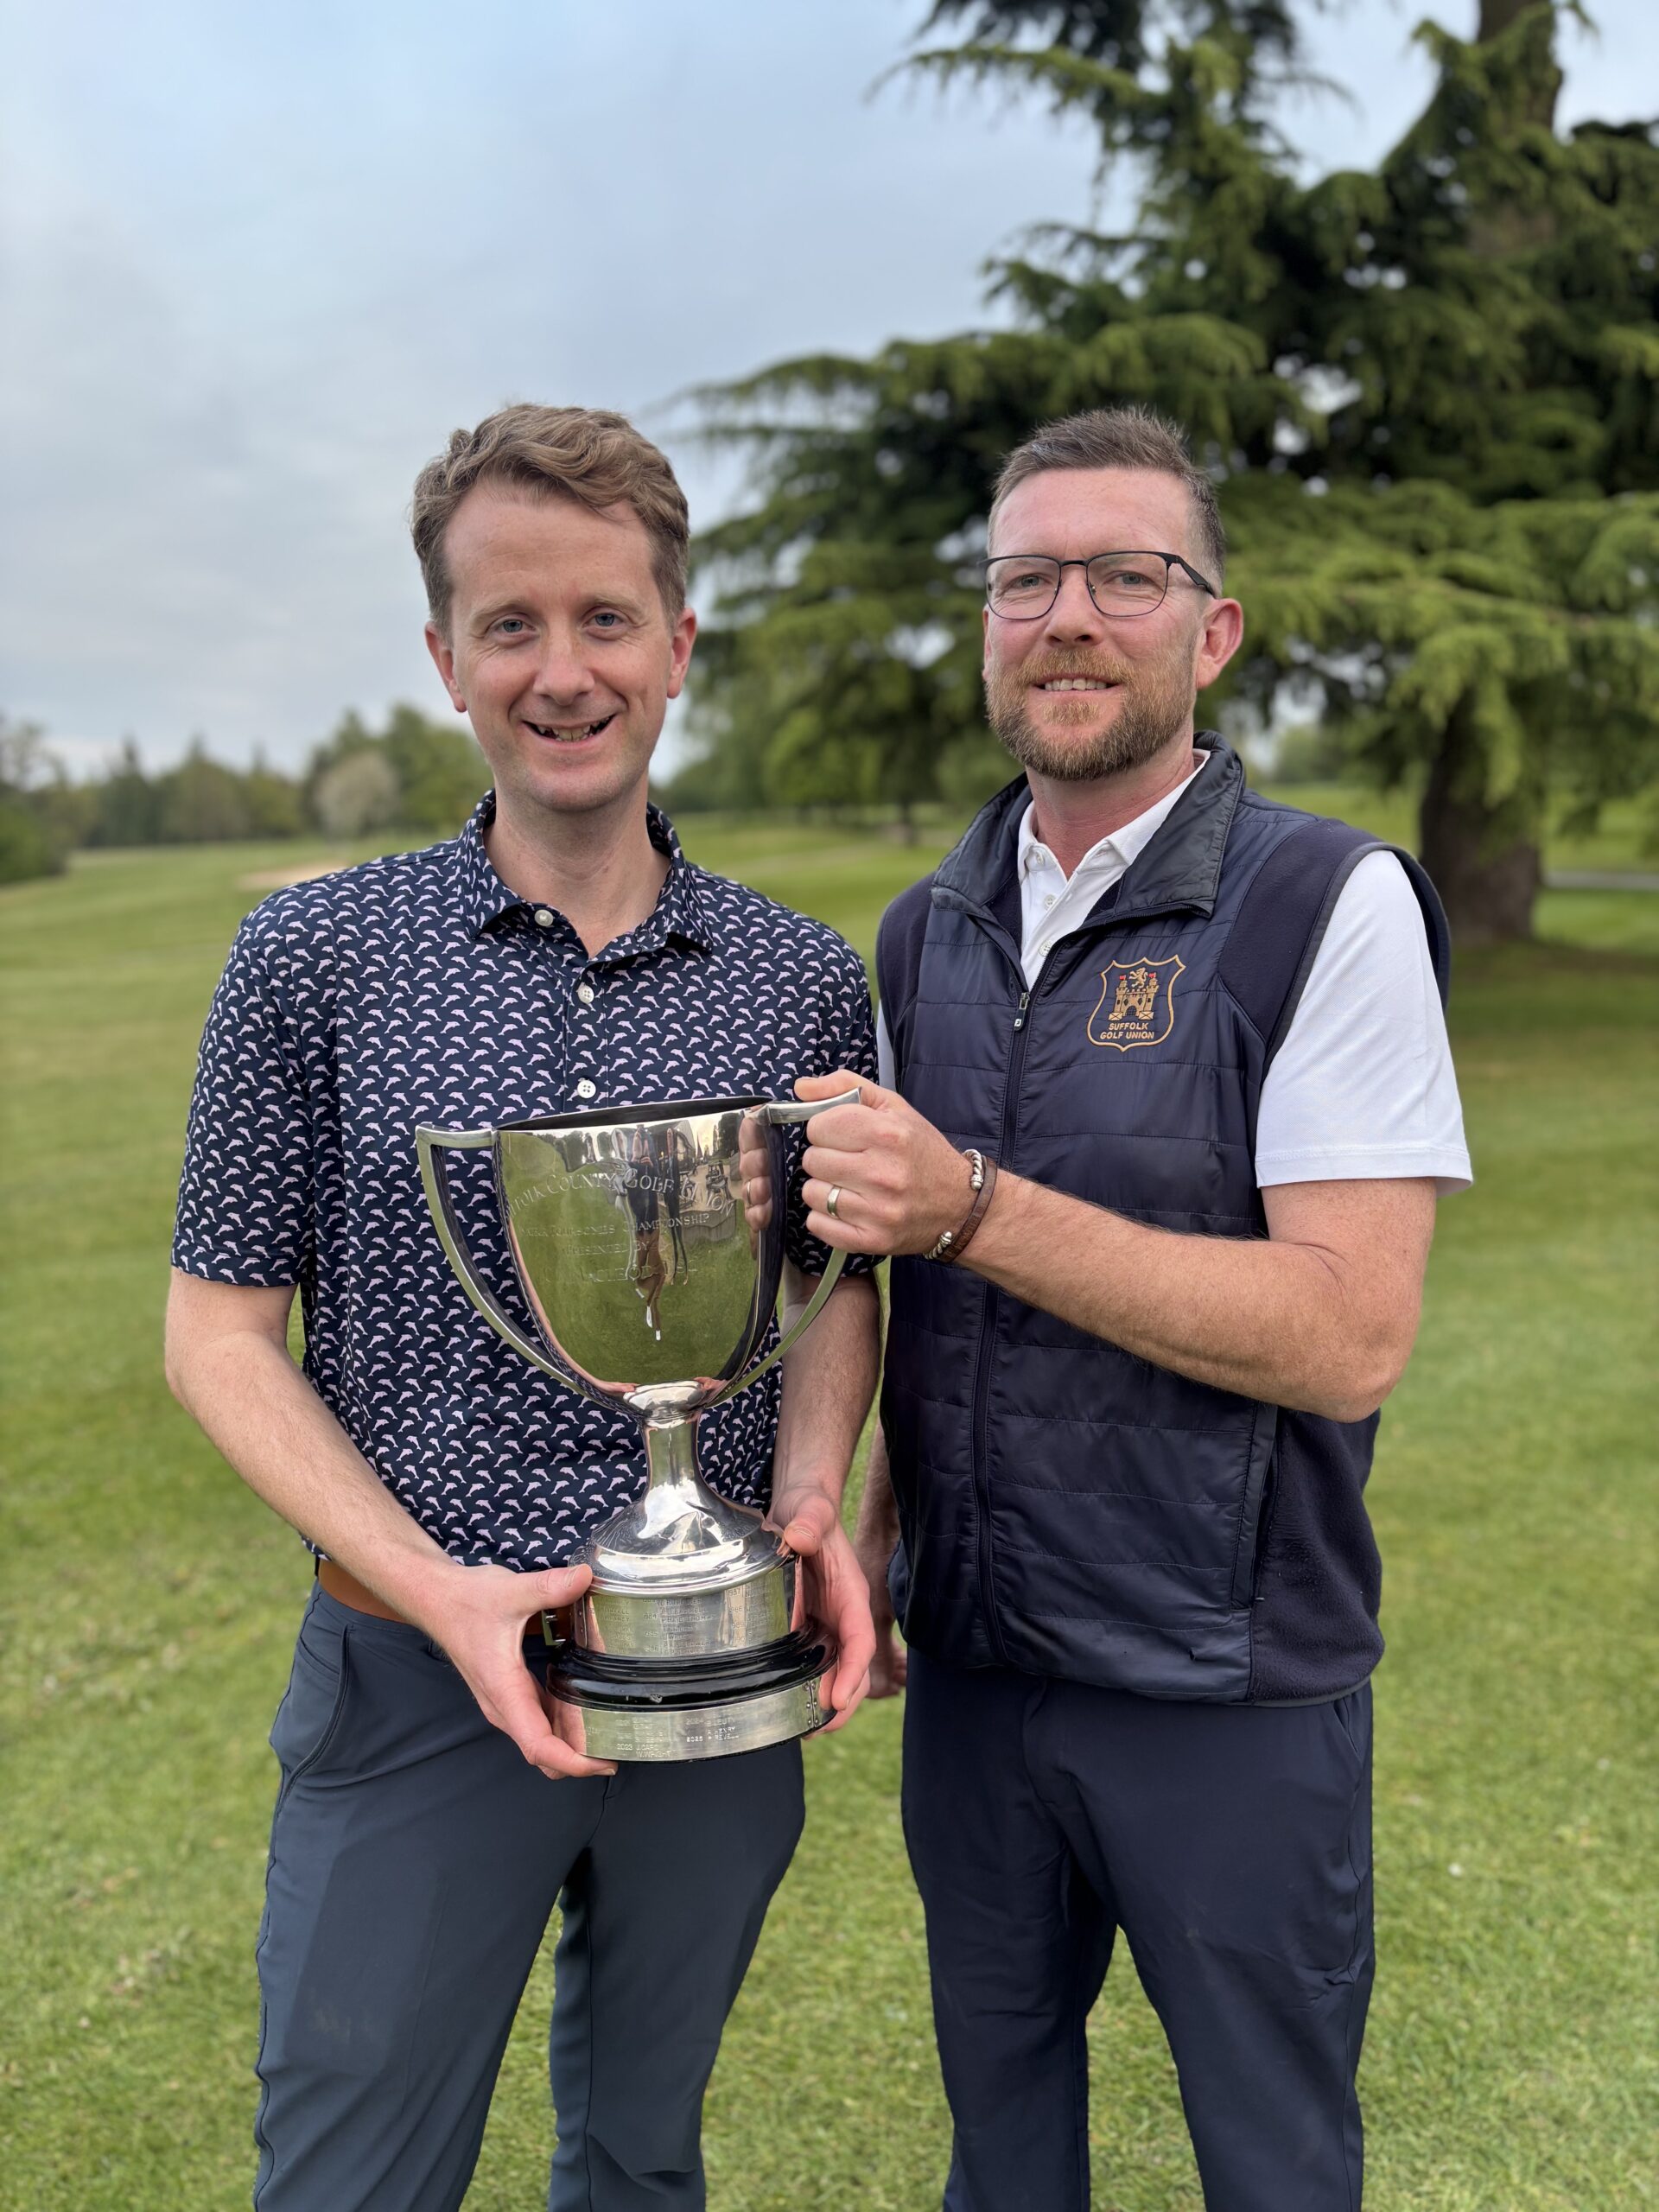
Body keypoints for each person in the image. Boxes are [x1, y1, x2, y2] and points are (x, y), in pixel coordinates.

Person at [163, 404, 880, 2212]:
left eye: (606, 620)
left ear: (678, 644)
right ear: (445, 660)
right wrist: (441, 1593)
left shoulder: (801, 974)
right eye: (511, 625)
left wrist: (804, 1498)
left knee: (641, 2162)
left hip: (711, 1688)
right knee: (348, 2180)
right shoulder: (314, 957)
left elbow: (840, 1278)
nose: (563, 672)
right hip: (412, 1681)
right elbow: (217, 1333)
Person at [795, 406, 1471, 2212]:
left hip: (1224, 1685)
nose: (1071, 614)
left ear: (1212, 629)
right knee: (1002, 2154)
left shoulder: (1326, 904)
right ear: (990, 621)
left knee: (1272, 2163)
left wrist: (983, 1210)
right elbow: (886, 1275)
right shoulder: (923, 929)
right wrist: (869, 1508)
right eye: (1029, 578)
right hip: (981, 1675)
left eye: (1125, 574)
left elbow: (1348, 1332)